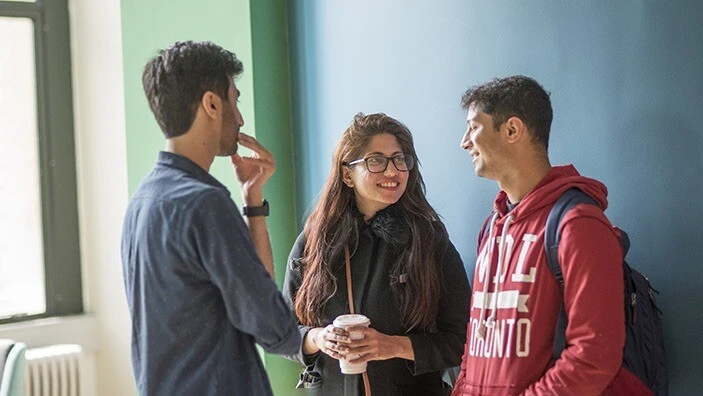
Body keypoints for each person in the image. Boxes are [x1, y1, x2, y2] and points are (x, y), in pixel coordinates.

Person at [121, 41, 300, 395]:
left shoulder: (142, 200)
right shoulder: (205, 203)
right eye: (235, 99)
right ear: (212, 104)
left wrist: (253, 202)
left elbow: (251, 298)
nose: (241, 118)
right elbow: (275, 329)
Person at [453, 76, 650, 395]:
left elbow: (592, 358)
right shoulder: (490, 229)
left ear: (512, 130)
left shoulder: (579, 223)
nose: (464, 142)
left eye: (473, 127)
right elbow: (476, 343)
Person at [282, 113, 471, 395]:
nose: (392, 171)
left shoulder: (429, 241)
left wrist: (392, 346)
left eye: (400, 159)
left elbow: (463, 341)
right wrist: (319, 338)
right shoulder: (314, 241)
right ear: (347, 174)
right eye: (376, 161)